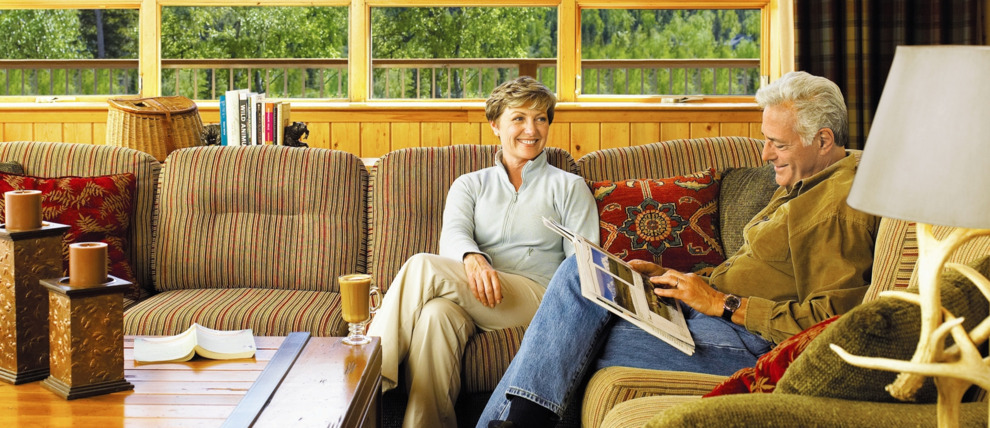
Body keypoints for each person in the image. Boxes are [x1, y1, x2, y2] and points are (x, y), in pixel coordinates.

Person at [479, 71, 882, 428]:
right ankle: (521, 419)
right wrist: (674, 278)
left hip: (749, 340)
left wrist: (723, 303)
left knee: (574, 339)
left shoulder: (836, 208)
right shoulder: (805, 185)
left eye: (777, 144)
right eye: (765, 141)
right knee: (578, 277)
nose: (764, 155)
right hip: (716, 319)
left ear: (823, 140)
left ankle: (519, 421)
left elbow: (832, 324)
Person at [366, 76, 599, 428]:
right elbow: (454, 235)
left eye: (540, 118)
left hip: (539, 298)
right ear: (495, 125)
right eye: (518, 118)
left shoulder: (568, 186)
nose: (531, 130)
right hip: (473, 297)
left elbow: (582, 266)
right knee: (434, 316)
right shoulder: (470, 184)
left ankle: (361, 379)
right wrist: (472, 258)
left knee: (421, 267)